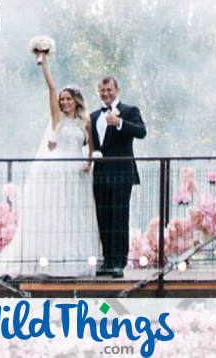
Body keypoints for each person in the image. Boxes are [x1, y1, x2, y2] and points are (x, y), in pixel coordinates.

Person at [0, 52, 101, 277]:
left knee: (77, 214)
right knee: (56, 212)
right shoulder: (58, 119)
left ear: (76, 101)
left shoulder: (86, 121)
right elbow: (51, 89)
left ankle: (76, 258)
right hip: (58, 168)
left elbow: (91, 147)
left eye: (67, 99)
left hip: (77, 171)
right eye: (62, 99)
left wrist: (89, 162)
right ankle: (50, 260)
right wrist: (44, 64)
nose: (63, 102)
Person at [90, 76, 147, 278]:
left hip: (122, 174)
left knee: (119, 218)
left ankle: (119, 262)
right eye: (102, 90)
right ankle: (107, 260)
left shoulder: (130, 111)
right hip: (100, 175)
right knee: (103, 217)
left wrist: (120, 122)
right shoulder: (93, 115)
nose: (106, 93)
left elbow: (141, 131)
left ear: (117, 89)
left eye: (109, 90)